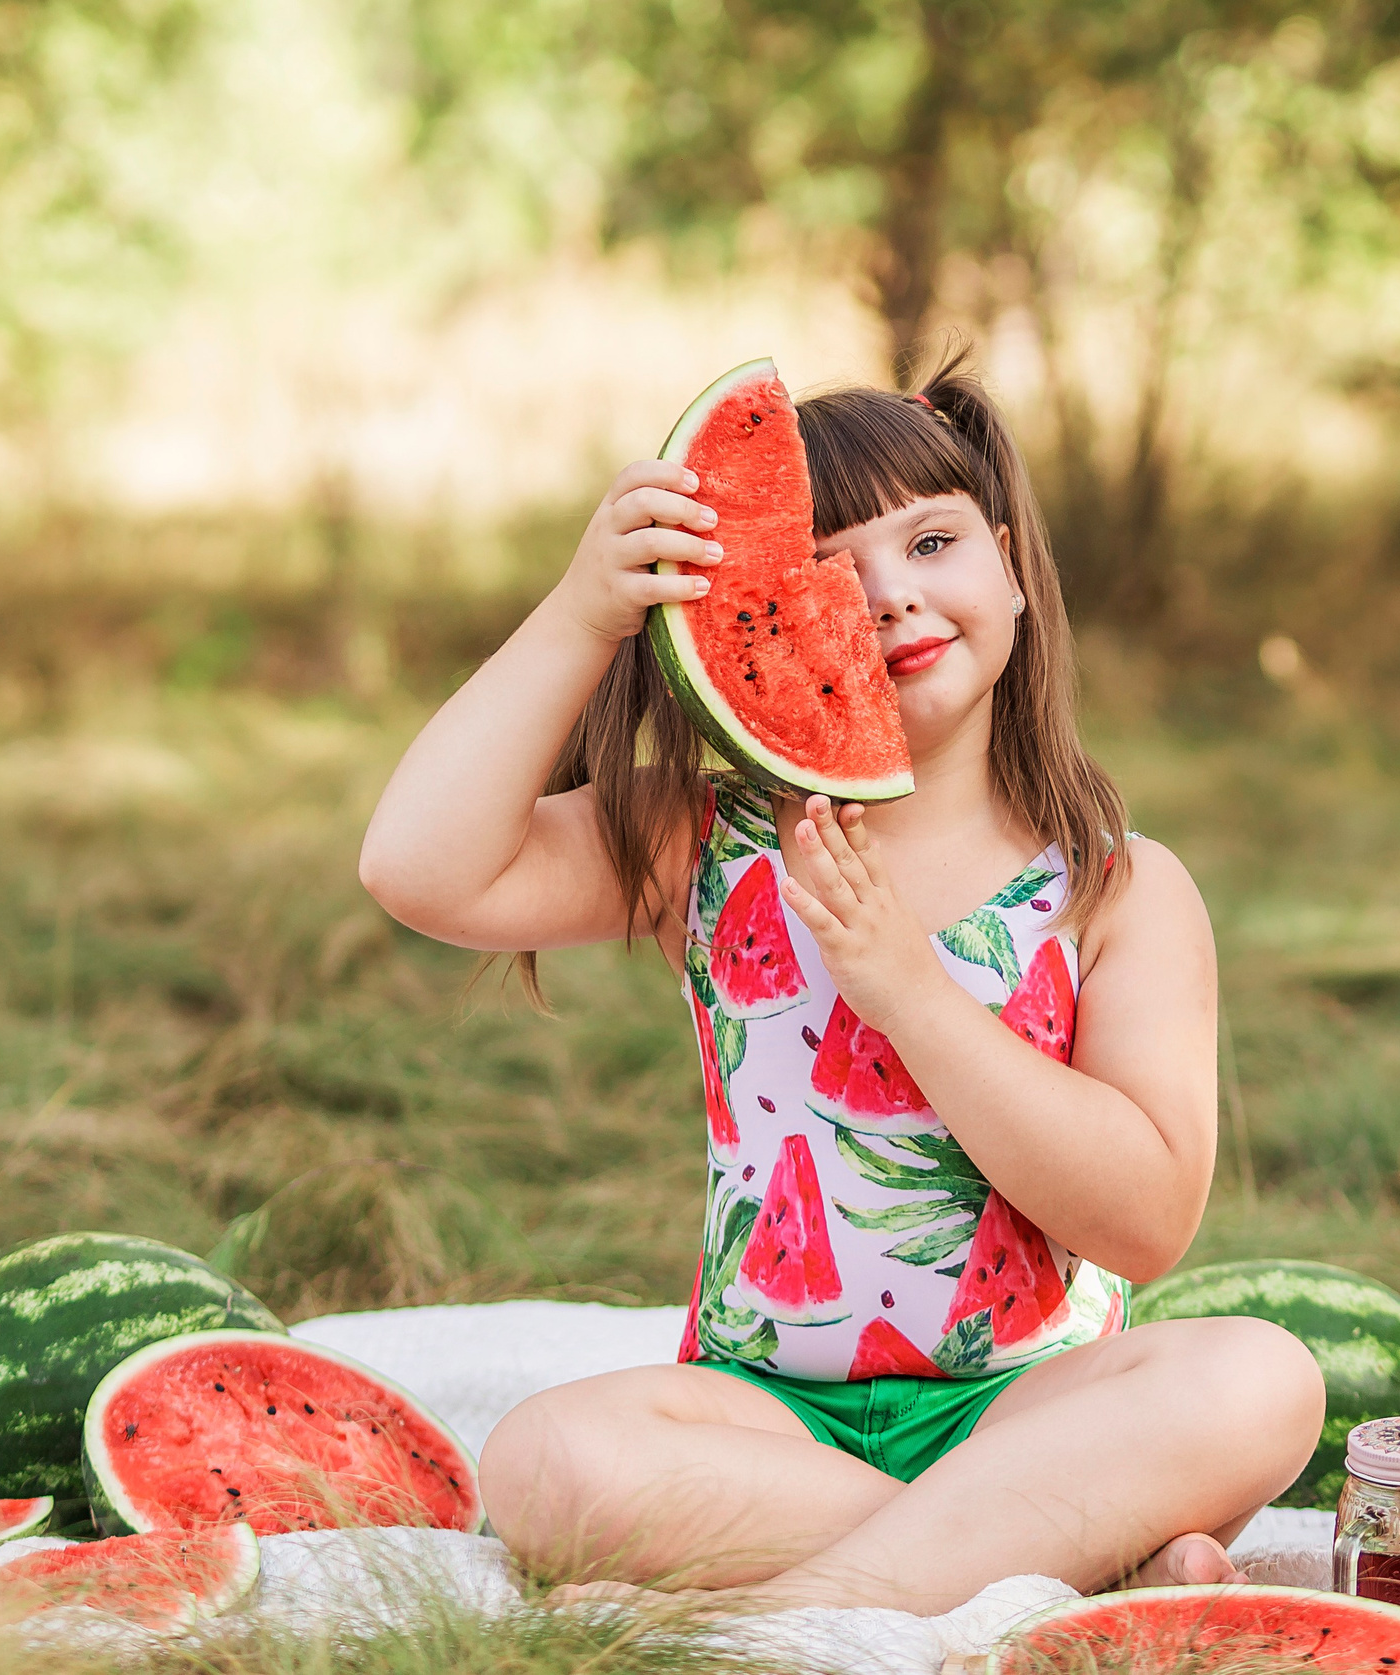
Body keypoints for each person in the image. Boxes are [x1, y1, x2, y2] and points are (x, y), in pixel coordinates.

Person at [358, 350, 1323, 1616]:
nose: (888, 599)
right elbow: (418, 868)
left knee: (1259, 1377)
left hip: (1029, 1409)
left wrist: (908, 994)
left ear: (1013, 571)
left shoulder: (1117, 889)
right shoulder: (706, 840)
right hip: (763, 1420)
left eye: (931, 544)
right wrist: (584, 611)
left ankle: (773, 1622)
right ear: (747, 622)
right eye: (826, 575)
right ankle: (1061, 1562)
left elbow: (1143, 1223)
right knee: (543, 1460)